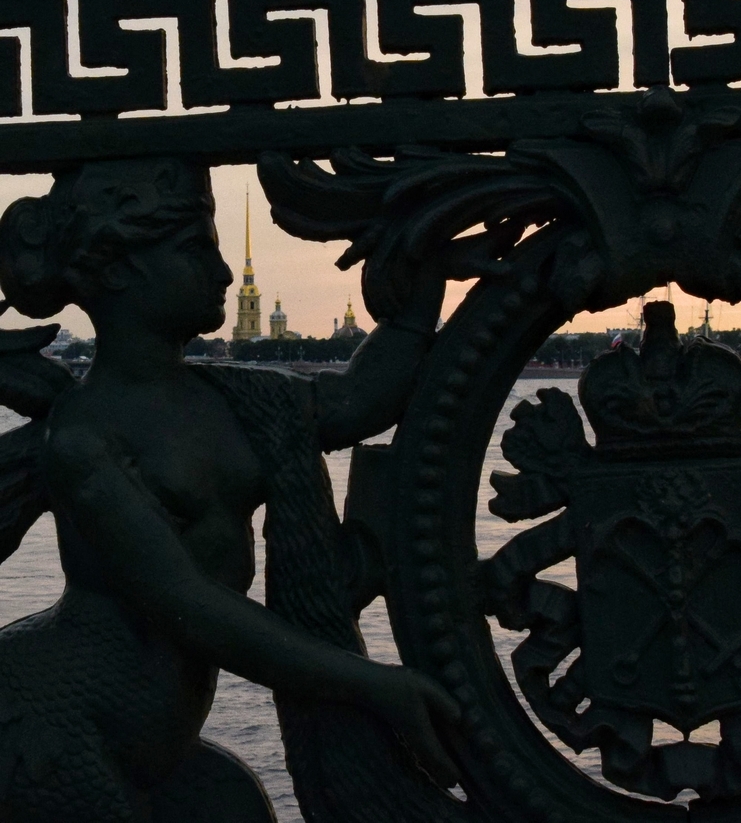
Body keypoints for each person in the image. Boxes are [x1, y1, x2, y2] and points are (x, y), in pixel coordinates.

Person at [0, 158, 459, 822]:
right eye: (196, 249)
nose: (220, 273)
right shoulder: (82, 435)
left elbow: (356, 402)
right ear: (119, 269)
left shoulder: (236, 399)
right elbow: (188, 604)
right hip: (47, 725)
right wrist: (372, 683)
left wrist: (420, 289)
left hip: (147, 742)